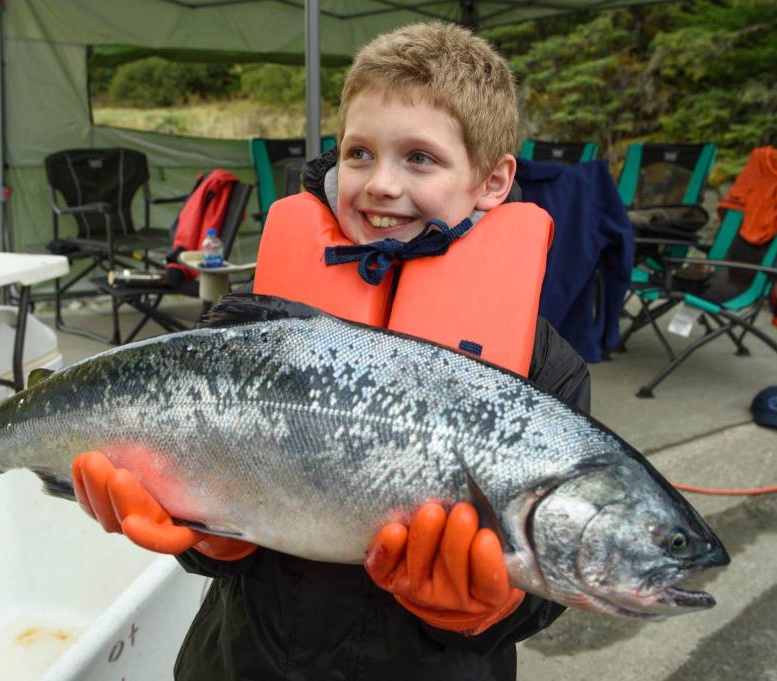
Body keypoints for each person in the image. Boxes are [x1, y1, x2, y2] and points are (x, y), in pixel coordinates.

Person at [72, 22, 590, 680]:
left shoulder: (547, 372)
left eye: (419, 158)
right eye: (359, 154)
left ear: (493, 179)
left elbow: (555, 573)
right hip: (241, 660)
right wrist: (204, 536)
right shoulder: (249, 326)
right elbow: (199, 506)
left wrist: (489, 611)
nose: (379, 183)